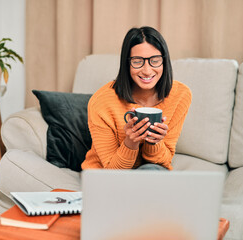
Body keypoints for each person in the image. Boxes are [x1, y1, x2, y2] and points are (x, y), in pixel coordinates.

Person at [81, 26, 192, 171]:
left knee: (152, 171)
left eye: (155, 60)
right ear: (127, 63)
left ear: (164, 62)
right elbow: (111, 171)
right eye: (137, 61)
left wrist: (154, 142)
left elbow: (164, 162)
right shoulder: (101, 102)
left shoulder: (180, 95)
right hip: (106, 175)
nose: (147, 70)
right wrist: (130, 143)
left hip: (152, 173)